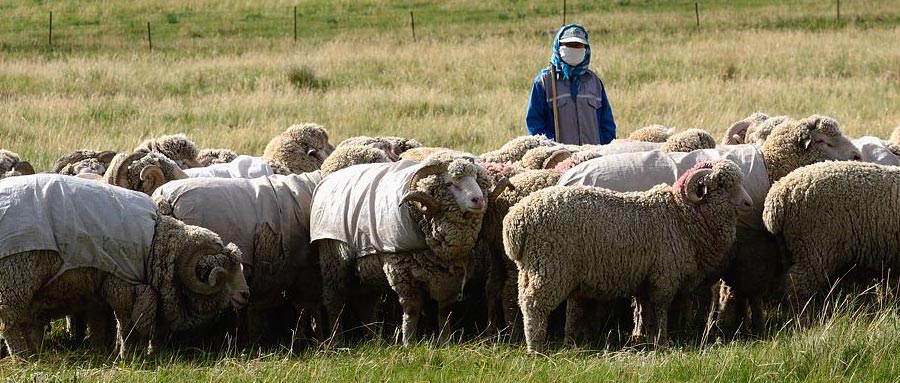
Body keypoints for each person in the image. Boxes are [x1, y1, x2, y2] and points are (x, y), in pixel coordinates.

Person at [525, 24, 616, 145]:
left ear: (585, 48)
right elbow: (534, 122)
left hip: (594, 157)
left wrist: (606, 148)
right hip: (560, 158)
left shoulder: (594, 82)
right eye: (569, 45)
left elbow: (607, 123)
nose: (574, 49)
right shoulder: (545, 82)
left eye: (579, 45)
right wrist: (551, 148)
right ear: (559, 46)